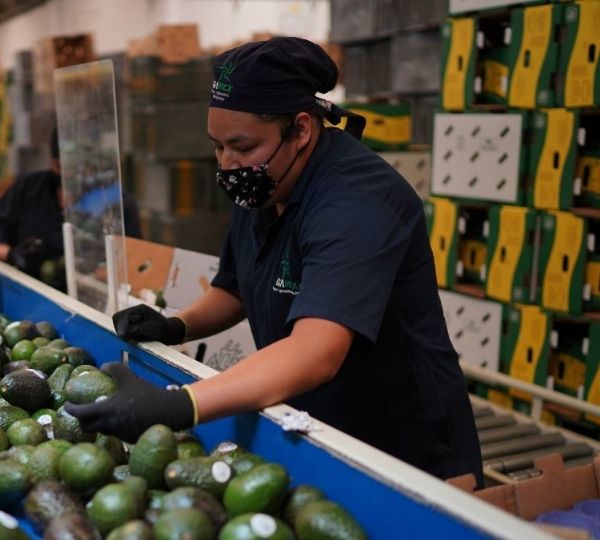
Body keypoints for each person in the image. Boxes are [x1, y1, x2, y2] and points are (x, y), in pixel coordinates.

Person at [65, 37, 483, 484]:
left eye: (242, 147)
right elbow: (236, 287)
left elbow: (315, 352)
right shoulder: (266, 181)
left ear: (301, 130)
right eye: (217, 146)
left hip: (400, 450)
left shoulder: (359, 203)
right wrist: (175, 325)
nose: (227, 164)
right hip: (316, 423)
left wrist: (182, 404)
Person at [0, 129, 142, 278]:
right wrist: (13, 255)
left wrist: (100, 275)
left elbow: (135, 261)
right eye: (75, 168)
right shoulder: (28, 188)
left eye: (90, 167)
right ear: (55, 165)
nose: (84, 175)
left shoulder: (115, 202)